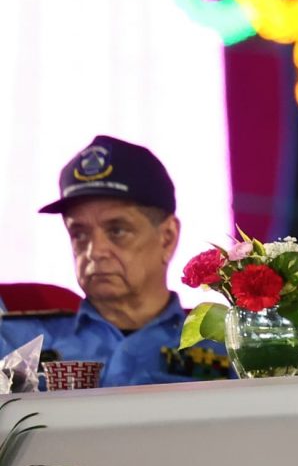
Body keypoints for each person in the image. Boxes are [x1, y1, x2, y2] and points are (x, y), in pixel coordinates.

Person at [0, 136, 222, 386]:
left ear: (167, 238)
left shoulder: (229, 345)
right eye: (80, 234)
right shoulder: (16, 343)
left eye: (117, 231)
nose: (94, 251)